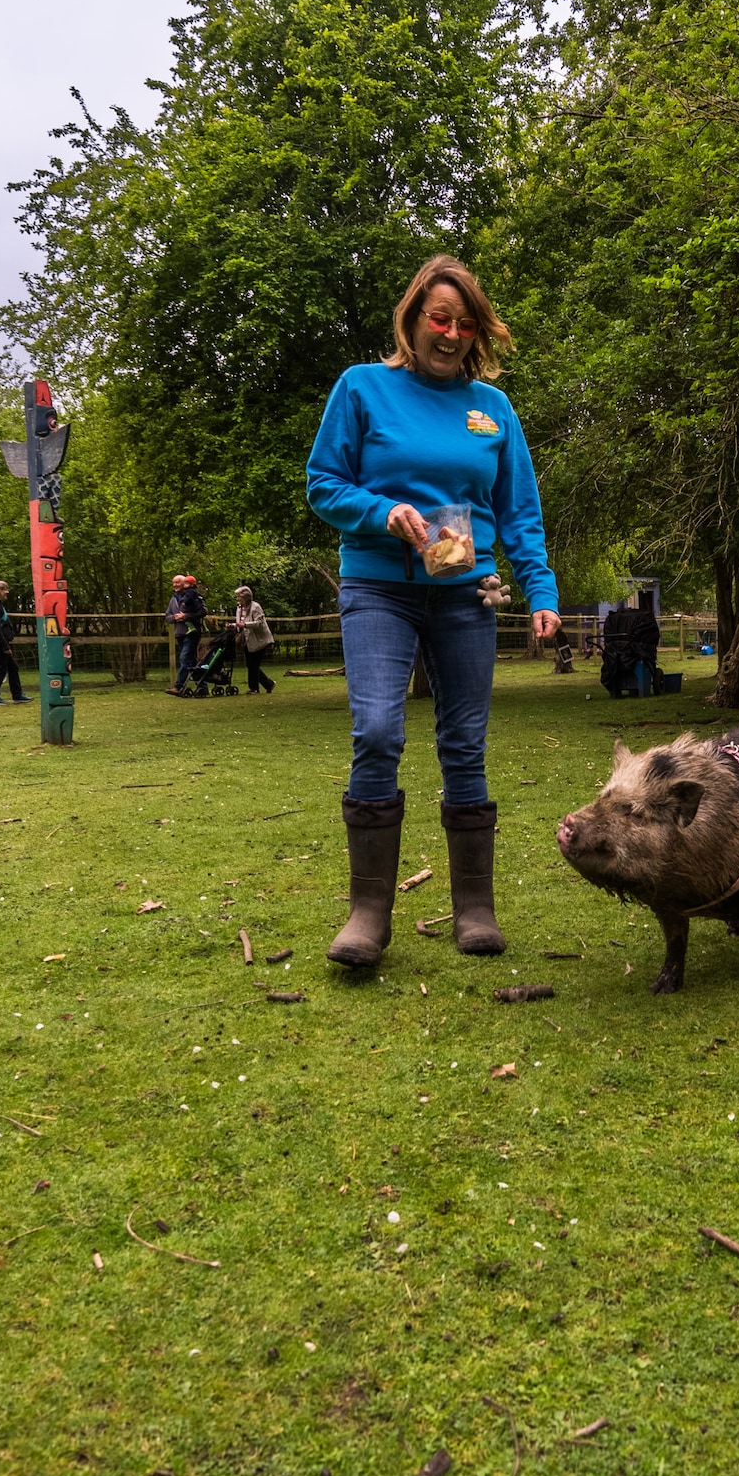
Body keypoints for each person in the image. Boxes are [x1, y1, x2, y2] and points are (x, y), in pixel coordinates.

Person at [307, 253, 561, 967]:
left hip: (466, 594)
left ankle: (474, 908)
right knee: (379, 730)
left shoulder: (494, 411)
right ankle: (368, 913)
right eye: (438, 318)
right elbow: (322, 484)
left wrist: (540, 592)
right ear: (413, 318)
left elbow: (520, 514)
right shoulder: (361, 388)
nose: (450, 334)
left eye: (464, 323)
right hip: (378, 589)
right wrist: (381, 511)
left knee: (464, 745)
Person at [169, 576, 209, 696]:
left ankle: (178, 686)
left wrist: (186, 617)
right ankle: (202, 686)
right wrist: (175, 618)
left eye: (177, 582)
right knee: (191, 661)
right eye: (173, 583)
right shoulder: (173, 599)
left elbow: (203, 612)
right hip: (179, 633)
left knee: (184, 658)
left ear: (185, 584)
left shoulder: (195, 596)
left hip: (192, 633)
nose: (175, 585)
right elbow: (168, 616)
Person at [0, 581, 31, 704]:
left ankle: (17, 695)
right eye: (4, 589)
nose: (7, 591)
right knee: (1, 670)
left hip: (2, 642)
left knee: (13, 668)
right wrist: (4, 646)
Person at [234, 587, 276, 694]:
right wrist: (234, 626)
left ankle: (254, 688)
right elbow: (240, 622)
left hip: (260, 640)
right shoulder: (239, 608)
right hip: (248, 640)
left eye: (239, 596)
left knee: (253, 665)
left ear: (245, 597)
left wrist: (245, 625)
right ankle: (268, 684)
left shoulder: (255, 607)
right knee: (251, 665)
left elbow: (259, 623)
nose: (237, 599)